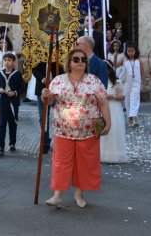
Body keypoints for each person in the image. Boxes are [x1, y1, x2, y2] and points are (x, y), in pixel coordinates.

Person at [42, 48, 110, 209]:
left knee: (84, 163)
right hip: (63, 129)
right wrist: (46, 95)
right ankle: (57, 195)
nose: (80, 62)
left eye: (83, 60)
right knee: (60, 162)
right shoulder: (58, 80)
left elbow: (103, 103)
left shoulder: (94, 81)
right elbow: (50, 102)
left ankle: (79, 193)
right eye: (76, 59)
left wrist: (108, 122)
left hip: (88, 130)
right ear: (69, 63)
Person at [0, 52, 23, 157]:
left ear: (13, 62)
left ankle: (12, 143)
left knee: (12, 124)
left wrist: (14, 92)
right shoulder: (0, 74)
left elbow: (21, 88)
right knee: (2, 124)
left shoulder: (17, 74)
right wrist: (0, 89)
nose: (7, 62)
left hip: (13, 102)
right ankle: (0, 146)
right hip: (3, 102)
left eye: (9, 60)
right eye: (5, 60)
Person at [100, 61, 127, 163]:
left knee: (113, 129)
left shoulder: (116, 82)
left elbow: (123, 95)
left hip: (114, 108)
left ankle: (113, 154)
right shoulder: (97, 81)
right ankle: (101, 153)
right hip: (101, 107)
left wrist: (112, 97)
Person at [121, 41, 144, 127]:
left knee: (134, 99)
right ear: (126, 52)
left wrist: (144, 84)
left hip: (136, 83)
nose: (130, 53)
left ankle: (134, 118)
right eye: (128, 51)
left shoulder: (139, 61)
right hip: (127, 83)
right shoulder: (124, 61)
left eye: (132, 51)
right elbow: (117, 68)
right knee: (127, 100)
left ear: (135, 51)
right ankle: (130, 116)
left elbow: (142, 73)